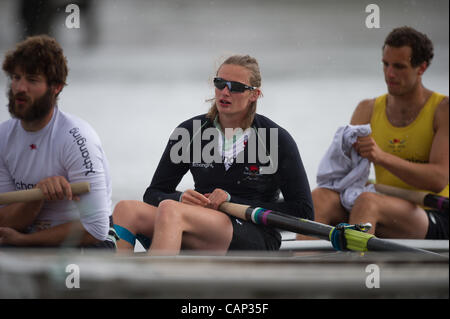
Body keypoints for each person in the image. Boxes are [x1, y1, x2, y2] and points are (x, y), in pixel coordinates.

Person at [113, 54, 314, 254]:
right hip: (197, 222)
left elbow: (304, 211)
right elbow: (154, 193)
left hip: (255, 233)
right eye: (220, 83)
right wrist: (181, 197)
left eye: (235, 87)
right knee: (126, 210)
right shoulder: (190, 132)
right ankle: (120, 281)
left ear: (254, 94)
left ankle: (155, 281)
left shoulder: (274, 139)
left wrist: (232, 200)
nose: (225, 92)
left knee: (170, 209)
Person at [306, 26, 448, 240]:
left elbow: (438, 180)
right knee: (319, 197)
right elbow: (343, 175)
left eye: (399, 67)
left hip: (432, 213)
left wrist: (381, 157)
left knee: (367, 202)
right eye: (385, 64)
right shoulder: (367, 109)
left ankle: (357, 269)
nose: (389, 74)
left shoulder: (442, 110)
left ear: (421, 68)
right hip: (380, 203)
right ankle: (303, 268)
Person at [0, 35, 116, 249]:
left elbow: (96, 229)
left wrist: (26, 242)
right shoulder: (3, 137)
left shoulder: (77, 138)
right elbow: (5, 221)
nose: (19, 88)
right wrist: (36, 198)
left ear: (56, 87)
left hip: (87, 242)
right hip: (24, 237)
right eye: (16, 77)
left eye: (32, 80)